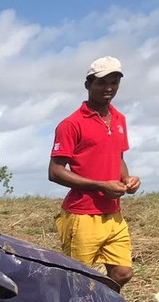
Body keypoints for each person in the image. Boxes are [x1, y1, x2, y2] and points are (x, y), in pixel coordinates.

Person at [49, 56, 141, 288]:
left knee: (122, 272)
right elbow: (55, 172)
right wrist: (101, 185)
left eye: (114, 82)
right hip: (82, 215)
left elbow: (118, 157)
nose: (108, 88)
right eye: (101, 82)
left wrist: (127, 179)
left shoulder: (119, 119)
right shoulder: (71, 124)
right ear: (88, 85)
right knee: (78, 279)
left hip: (113, 213)